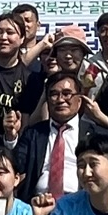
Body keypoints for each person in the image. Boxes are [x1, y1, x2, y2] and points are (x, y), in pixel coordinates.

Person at [15, 59, 90, 203]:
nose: (60, 100)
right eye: (54, 94)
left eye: (67, 94)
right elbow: (16, 165)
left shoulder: (92, 134)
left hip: (80, 204)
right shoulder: (34, 133)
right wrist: (11, 137)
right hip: (38, 202)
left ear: (79, 101)